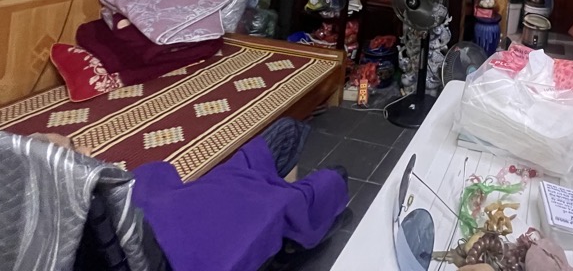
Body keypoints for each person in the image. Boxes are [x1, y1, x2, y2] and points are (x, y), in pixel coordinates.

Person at [3, 119, 349, 271]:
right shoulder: (93, 205)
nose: (89, 149)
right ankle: (296, 215)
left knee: (277, 140)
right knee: (307, 185)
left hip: (169, 210)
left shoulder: (34, 232)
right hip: (185, 240)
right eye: (76, 148)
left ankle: (275, 188)